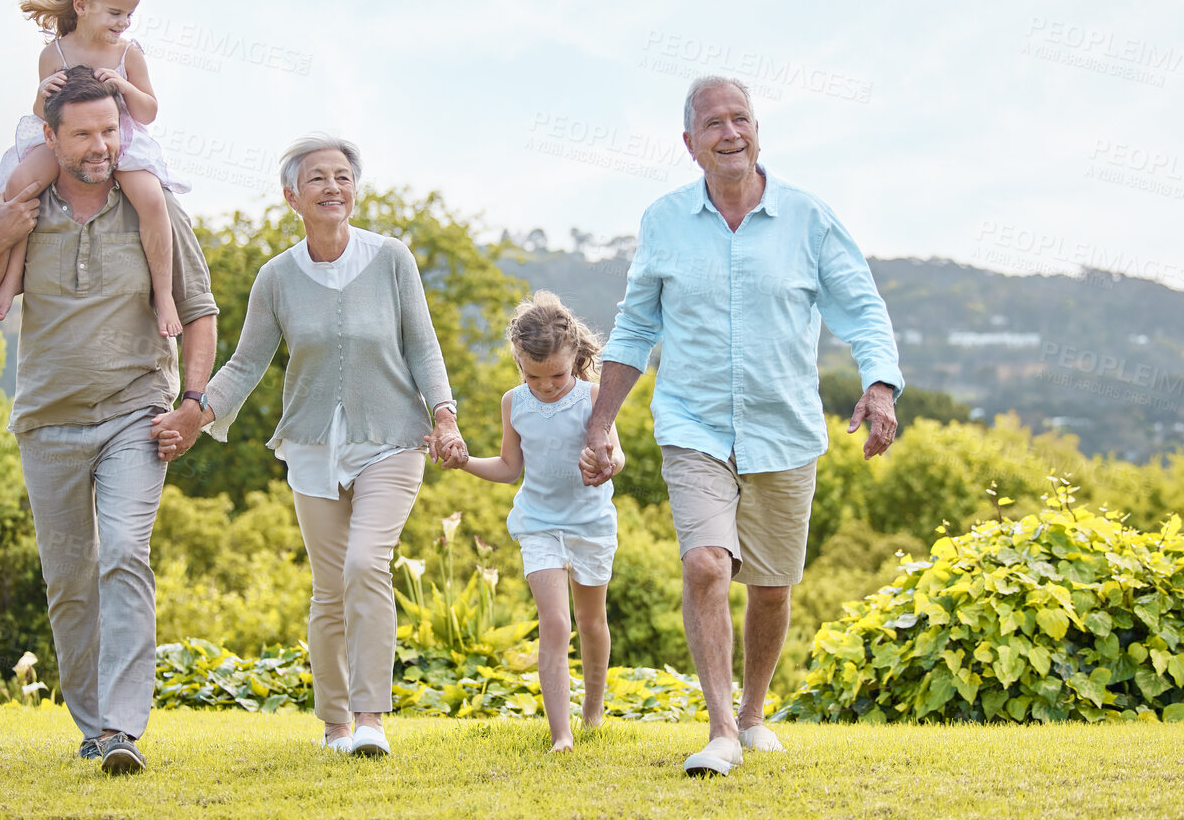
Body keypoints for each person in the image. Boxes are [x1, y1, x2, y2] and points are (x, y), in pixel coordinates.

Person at [582, 75, 904, 778]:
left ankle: (755, 712)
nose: (730, 133)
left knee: (771, 584)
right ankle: (721, 727)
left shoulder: (807, 218)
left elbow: (861, 307)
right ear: (690, 142)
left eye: (741, 119)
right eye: (713, 123)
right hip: (692, 421)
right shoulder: (663, 220)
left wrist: (878, 385)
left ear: (757, 130)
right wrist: (600, 421)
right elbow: (637, 324)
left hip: (783, 427)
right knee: (704, 563)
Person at [0, 65, 219, 774]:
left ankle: (122, 726)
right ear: (50, 136)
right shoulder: (23, 203)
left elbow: (199, 311)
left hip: (134, 414)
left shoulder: (150, 206)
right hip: (46, 422)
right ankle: (92, 726)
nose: (100, 144)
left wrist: (192, 403)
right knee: (69, 577)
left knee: (124, 553)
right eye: (83, 133)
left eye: (110, 129)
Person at [189, 134, 468, 757]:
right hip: (313, 444)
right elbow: (247, 360)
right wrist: (196, 411)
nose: (333, 187)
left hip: (392, 437)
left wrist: (444, 416)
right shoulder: (276, 278)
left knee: (366, 563)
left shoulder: (392, 258)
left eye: (342, 176)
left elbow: (422, 345)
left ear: (355, 189)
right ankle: (335, 725)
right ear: (292, 196)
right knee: (328, 589)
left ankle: (370, 718)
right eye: (317, 178)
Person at [448, 291, 623, 752]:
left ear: (575, 359)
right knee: (555, 623)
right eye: (534, 376)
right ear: (518, 363)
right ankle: (560, 734)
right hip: (539, 524)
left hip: (591, 525)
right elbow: (510, 469)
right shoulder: (514, 403)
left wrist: (605, 462)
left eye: (557, 375)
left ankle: (593, 712)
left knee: (590, 621)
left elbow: (617, 455)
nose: (546, 386)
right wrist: (465, 461)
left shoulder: (592, 396)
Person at [0, 0, 189, 337]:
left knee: (151, 198)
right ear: (81, 6)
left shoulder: (128, 53)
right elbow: (46, 114)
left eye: (129, 15)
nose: (123, 23)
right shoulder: (55, 53)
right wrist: (41, 93)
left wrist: (123, 85)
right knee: (18, 185)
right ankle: (12, 278)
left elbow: (148, 112)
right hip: (69, 139)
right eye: (114, 13)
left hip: (120, 137)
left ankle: (163, 294)